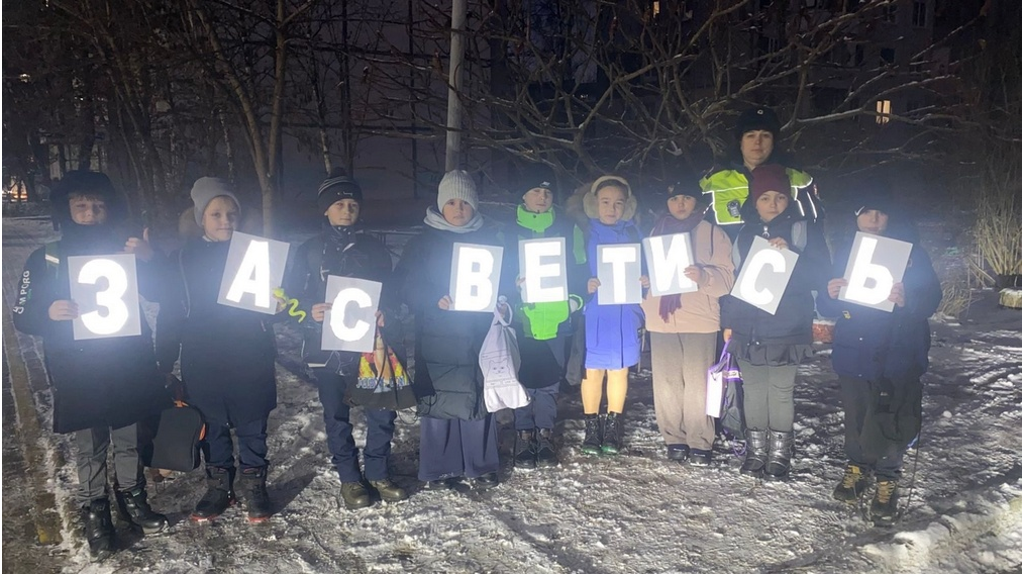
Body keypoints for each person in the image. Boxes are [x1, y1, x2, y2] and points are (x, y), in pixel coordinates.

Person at [13, 171, 170, 559]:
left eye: (98, 205)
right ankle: (95, 510)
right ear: (65, 208)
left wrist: (149, 259)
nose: (90, 212)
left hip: (127, 363)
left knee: (129, 438)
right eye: (81, 205)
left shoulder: (126, 250)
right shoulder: (46, 257)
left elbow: (162, 291)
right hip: (78, 369)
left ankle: (133, 498)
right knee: (91, 445)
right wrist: (47, 311)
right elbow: (21, 314)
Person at [816, 180, 940, 525]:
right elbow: (827, 304)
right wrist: (829, 293)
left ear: (890, 216)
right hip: (854, 351)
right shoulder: (846, 251)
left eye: (880, 213)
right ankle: (857, 466)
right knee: (856, 414)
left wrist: (908, 300)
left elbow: (931, 300)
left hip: (897, 352)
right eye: (866, 212)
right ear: (856, 216)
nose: (873, 219)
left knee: (890, 415)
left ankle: (887, 476)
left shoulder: (912, 254)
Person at [283, 169, 408, 509]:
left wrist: (386, 312)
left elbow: (392, 292)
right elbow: (289, 298)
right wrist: (307, 310)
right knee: (336, 416)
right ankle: (350, 479)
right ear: (325, 209)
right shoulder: (309, 251)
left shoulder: (375, 249)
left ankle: (378, 472)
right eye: (339, 204)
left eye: (352, 204)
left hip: (372, 346)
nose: (346, 210)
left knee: (382, 412)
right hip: (327, 348)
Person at [157, 177, 276, 522]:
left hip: (250, 354)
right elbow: (171, 312)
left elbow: (278, 303)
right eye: (216, 214)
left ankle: (254, 484)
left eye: (232, 214)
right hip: (203, 355)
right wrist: (163, 359)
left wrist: (281, 306)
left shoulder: (256, 255)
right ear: (201, 219)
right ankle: (219, 486)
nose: (226, 221)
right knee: (212, 423)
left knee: (253, 422)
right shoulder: (183, 259)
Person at [393, 170, 506, 489]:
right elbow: (404, 286)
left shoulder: (489, 241)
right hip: (436, 337)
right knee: (438, 401)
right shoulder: (421, 243)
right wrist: (431, 298)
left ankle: (480, 464)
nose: (459, 209)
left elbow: (504, 282)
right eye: (452, 202)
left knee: (476, 398)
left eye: (465, 203)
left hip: (477, 335)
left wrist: (504, 299)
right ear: (441, 204)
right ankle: (440, 467)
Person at [721, 164, 830, 480]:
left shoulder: (803, 230)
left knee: (781, 391)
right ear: (754, 202)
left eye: (779, 197)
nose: (772, 204)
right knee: (754, 390)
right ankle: (756, 451)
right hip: (749, 327)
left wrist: (792, 254)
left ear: (788, 200)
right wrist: (730, 321)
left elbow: (822, 275)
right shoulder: (744, 234)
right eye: (765, 197)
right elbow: (736, 282)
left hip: (787, 327)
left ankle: (780, 453)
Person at [640, 178, 735, 466]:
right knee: (666, 384)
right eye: (674, 198)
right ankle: (674, 439)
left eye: (686, 198)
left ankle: (700, 441)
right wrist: (645, 284)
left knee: (698, 384)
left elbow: (727, 280)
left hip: (699, 319)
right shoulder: (655, 232)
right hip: (661, 319)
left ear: (697, 201)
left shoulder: (713, 233)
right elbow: (643, 274)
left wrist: (704, 276)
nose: (680, 204)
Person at [505, 166, 587, 470]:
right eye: (536, 191)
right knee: (521, 378)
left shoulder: (568, 228)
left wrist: (574, 301)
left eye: (547, 192)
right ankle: (523, 434)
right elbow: (497, 275)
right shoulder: (506, 232)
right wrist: (509, 287)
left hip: (556, 319)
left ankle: (545, 433)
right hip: (522, 320)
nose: (542, 197)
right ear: (523, 196)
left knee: (550, 380)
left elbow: (581, 270)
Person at [579, 175, 645, 456]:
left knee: (619, 369)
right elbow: (572, 269)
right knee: (592, 370)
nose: (611, 208)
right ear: (593, 204)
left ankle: (613, 426)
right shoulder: (582, 235)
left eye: (618, 203)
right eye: (605, 202)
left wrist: (646, 279)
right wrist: (583, 284)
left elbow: (649, 268)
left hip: (625, 313)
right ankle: (592, 427)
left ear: (627, 206)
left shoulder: (636, 234)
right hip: (595, 312)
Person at [700, 106, 823, 240]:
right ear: (741, 141)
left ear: (773, 142)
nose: (757, 142)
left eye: (765, 136)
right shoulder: (714, 181)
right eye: (750, 135)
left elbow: (814, 234)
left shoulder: (798, 180)